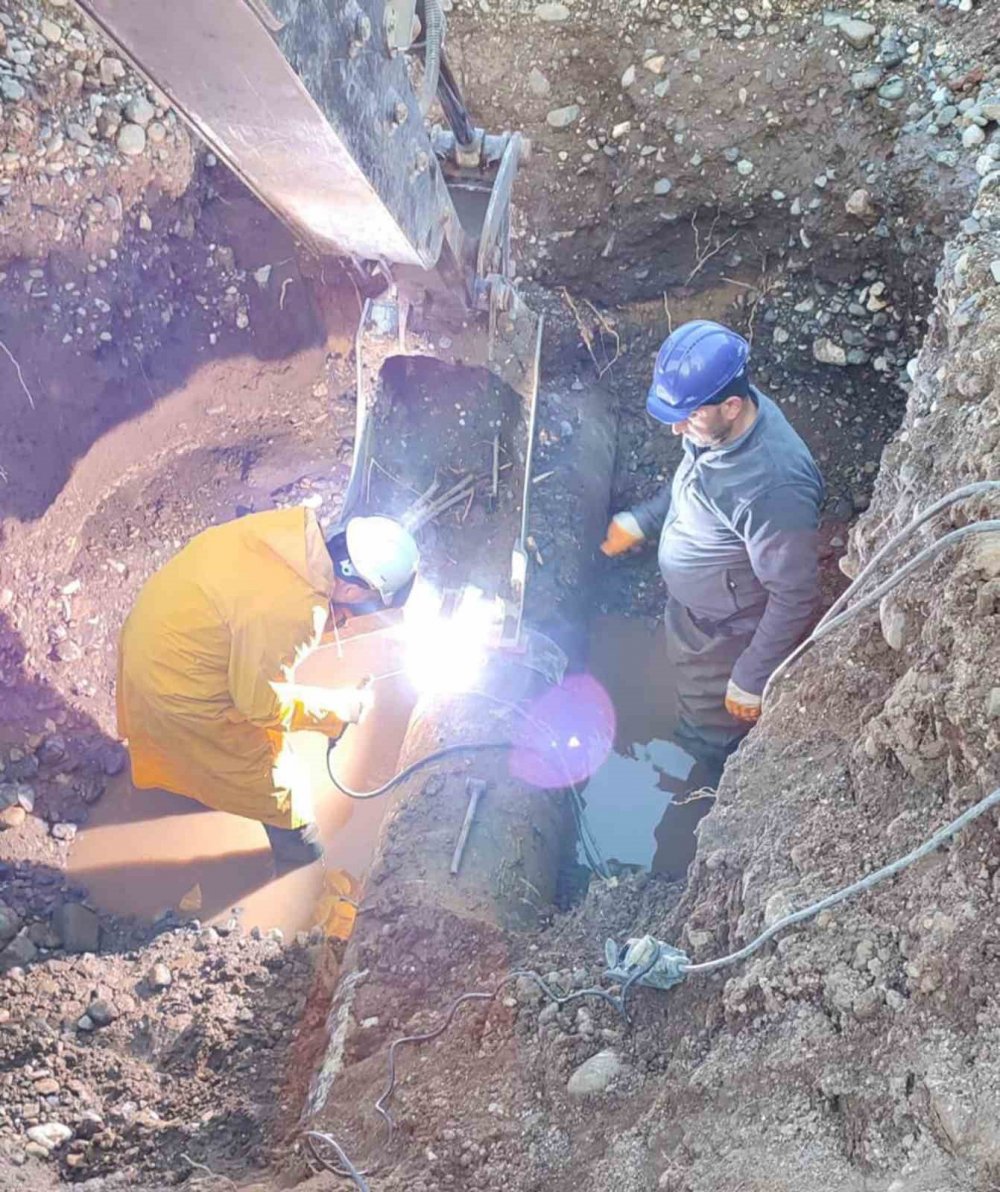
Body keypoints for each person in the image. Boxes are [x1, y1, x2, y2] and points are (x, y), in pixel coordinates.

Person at [117, 506, 419, 874]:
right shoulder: (294, 614)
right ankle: (298, 855)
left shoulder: (287, 535)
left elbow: (254, 613)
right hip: (181, 691)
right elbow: (260, 706)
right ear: (352, 588)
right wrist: (338, 709)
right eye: (365, 602)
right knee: (273, 783)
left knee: (198, 759)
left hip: (151, 642)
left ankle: (197, 788)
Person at [601, 319, 824, 773]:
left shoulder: (772, 489)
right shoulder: (718, 427)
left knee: (707, 735)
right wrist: (645, 520)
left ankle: (703, 797)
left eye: (689, 415)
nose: (677, 429)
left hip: (726, 636)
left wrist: (750, 674)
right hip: (697, 616)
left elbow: (797, 593)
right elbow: (697, 480)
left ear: (732, 405)